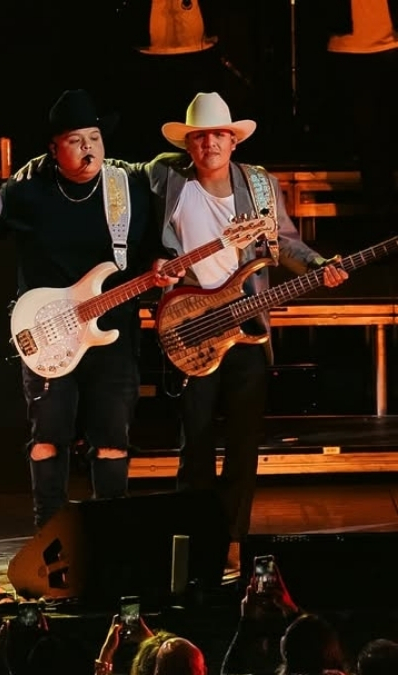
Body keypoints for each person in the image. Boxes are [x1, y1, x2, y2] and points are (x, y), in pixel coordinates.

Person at [143, 92, 348, 570]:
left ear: (234, 141)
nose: (210, 143)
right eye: (200, 136)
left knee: (243, 441)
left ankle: (233, 539)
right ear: (187, 144)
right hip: (192, 324)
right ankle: (193, 545)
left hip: (246, 325)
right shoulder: (165, 177)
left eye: (219, 134)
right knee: (194, 441)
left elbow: (286, 243)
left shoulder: (259, 185)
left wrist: (320, 266)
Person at [0, 89, 168, 530]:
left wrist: (160, 264)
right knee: (48, 437)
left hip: (114, 333)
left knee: (112, 438)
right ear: (54, 149)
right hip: (48, 329)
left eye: (94, 138)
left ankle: (110, 533)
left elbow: (153, 246)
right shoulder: (28, 190)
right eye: (75, 141)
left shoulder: (125, 187)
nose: (88, 148)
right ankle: (49, 535)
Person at [318, 0, 398, 216]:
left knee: (382, 136)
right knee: (369, 139)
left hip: (390, 44)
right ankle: (381, 215)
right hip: (349, 49)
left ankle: (384, 214)